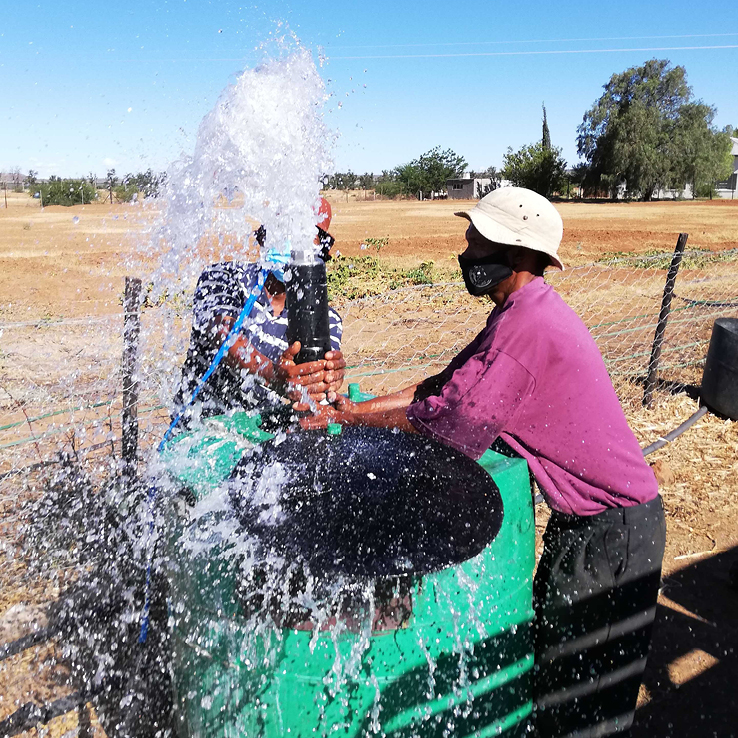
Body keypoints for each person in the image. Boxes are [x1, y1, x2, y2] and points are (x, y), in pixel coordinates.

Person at [302, 187, 666, 737]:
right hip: (588, 528)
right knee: (554, 669)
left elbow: (447, 428)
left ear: (516, 255)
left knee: (585, 700)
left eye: (476, 241)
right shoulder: (519, 311)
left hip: (613, 533)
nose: (466, 252)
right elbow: (439, 389)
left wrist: (346, 428)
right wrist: (351, 411)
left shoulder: (525, 332)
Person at [172, 196, 346, 428]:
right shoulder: (222, 277)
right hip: (202, 428)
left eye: (305, 234)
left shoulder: (327, 319)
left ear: (320, 250)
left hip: (266, 435)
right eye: (286, 228)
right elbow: (224, 335)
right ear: (266, 235)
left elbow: (312, 379)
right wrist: (273, 374)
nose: (294, 242)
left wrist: (326, 377)